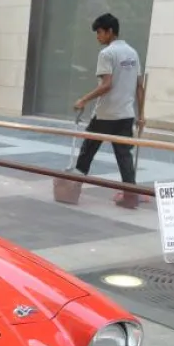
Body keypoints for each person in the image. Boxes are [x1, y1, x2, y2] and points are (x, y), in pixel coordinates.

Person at [72, 12, 146, 207]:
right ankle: (131, 197)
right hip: (125, 114)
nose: (98, 36)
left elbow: (106, 85)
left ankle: (72, 190)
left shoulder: (107, 54)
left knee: (87, 152)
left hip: (105, 114)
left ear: (110, 31)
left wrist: (83, 100)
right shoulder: (132, 53)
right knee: (124, 156)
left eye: (100, 32)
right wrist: (141, 114)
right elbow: (140, 86)